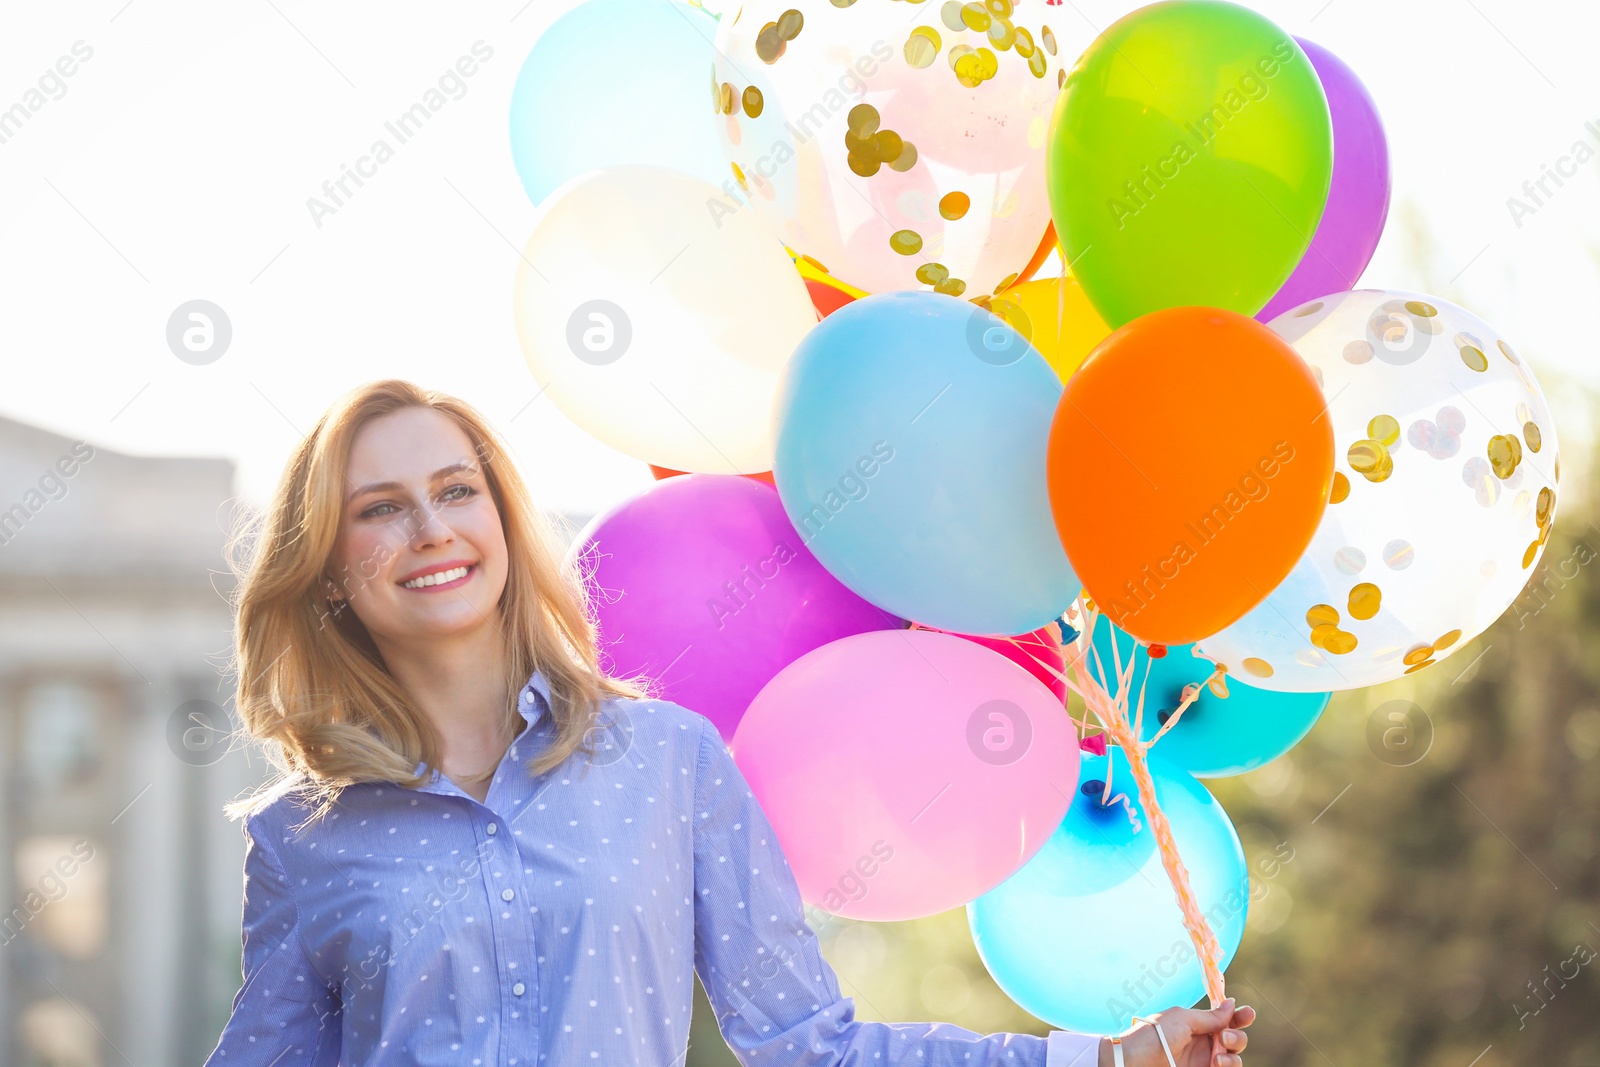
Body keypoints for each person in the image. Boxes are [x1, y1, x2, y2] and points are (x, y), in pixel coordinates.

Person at [203, 379, 1254, 1067]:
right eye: (379, 506)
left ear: (504, 525)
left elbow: (810, 1043)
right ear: (329, 566)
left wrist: (1119, 1054)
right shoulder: (303, 839)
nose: (430, 527)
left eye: (455, 490)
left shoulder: (663, 762)